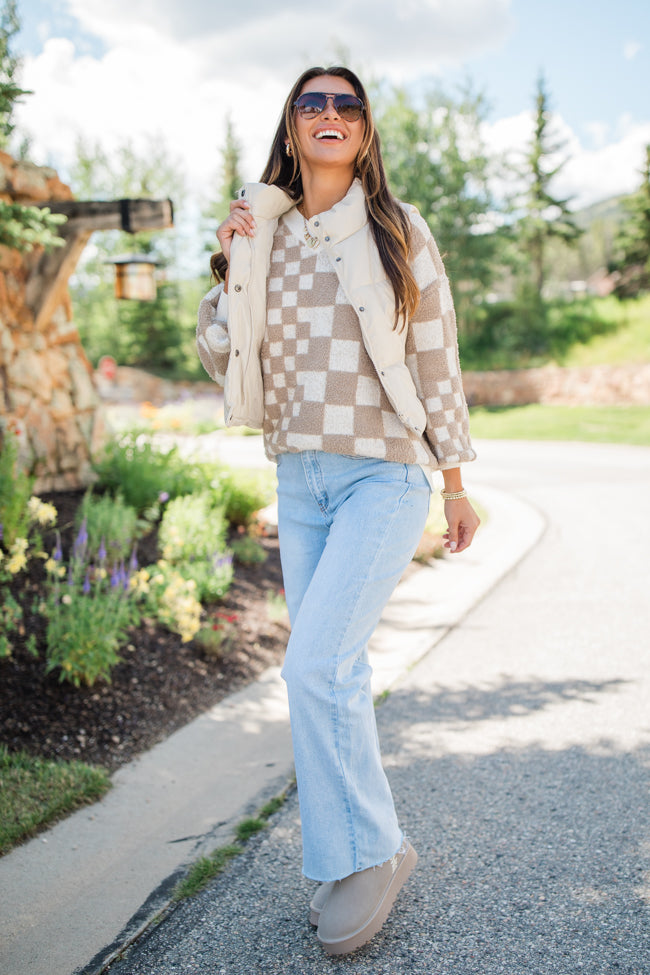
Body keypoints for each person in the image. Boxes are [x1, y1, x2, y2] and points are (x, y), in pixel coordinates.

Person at [197, 65, 480, 956]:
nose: (329, 115)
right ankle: (342, 856)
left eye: (345, 105)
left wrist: (456, 481)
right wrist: (226, 263)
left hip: (381, 474)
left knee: (313, 665)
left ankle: (374, 849)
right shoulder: (264, 233)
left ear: (363, 132)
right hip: (299, 477)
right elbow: (219, 354)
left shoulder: (398, 228)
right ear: (292, 125)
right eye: (311, 103)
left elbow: (436, 359)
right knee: (336, 671)